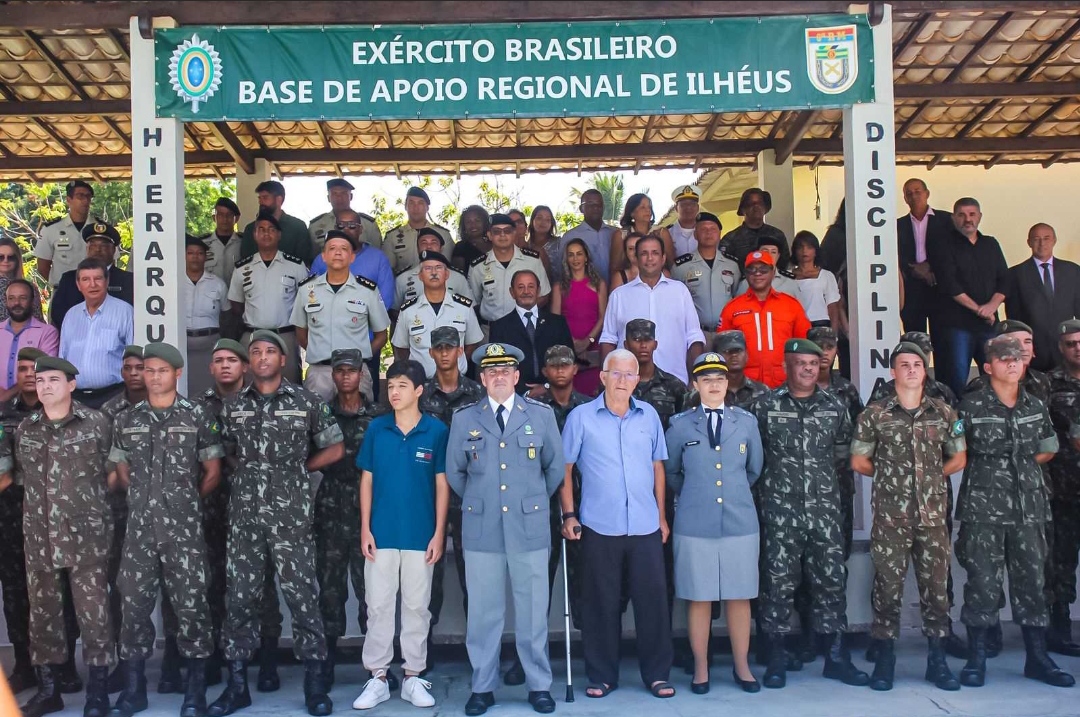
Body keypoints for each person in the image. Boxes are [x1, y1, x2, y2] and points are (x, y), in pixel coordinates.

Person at [209, 330, 344, 717]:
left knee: (303, 597)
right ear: (249, 362)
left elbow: (335, 447)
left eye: (271, 352)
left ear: (283, 360)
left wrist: (299, 469)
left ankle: (314, 685)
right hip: (246, 519)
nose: (263, 357)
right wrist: (249, 473)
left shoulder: (305, 402)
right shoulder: (233, 406)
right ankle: (237, 686)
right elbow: (225, 451)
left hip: (291, 520)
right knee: (240, 600)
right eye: (256, 352)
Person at [446, 343, 563, 716]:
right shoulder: (465, 419)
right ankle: (483, 686)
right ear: (482, 379)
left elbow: (554, 469)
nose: (499, 377)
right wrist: (484, 500)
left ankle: (538, 685)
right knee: (484, 614)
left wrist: (530, 501)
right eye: (491, 371)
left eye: (505, 371)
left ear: (516, 376)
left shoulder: (540, 416)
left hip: (528, 526)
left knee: (533, 612)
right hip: (483, 527)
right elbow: (455, 473)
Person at [107, 342, 223, 717]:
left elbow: (212, 472)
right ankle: (134, 692)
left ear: (177, 373)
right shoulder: (128, 419)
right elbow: (121, 467)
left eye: (162, 371)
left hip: (184, 533)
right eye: (149, 370)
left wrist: (183, 503)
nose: (154, 377)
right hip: (140, 531)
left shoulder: (197, 415)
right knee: (133, 608)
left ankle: (194, 692)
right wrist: (145, 500)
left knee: (192, 608)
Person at [954, 335, 1073, 688]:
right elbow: (955, 450)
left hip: (1028, 508)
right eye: (1003, 359)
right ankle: (977, 658)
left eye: (1017, 358)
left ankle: (1037, 658)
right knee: (982, 583)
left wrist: (1018, 465)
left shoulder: (1035, 405)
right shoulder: (969, 407)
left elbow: (1048, 447)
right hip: (983, 510)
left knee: (1032, 583)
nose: (1011, 363)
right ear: (987, 367)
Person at [749, 339, 867, 690]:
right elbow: (754, 458)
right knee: (776, 585)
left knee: (831, 582)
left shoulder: (835, 406)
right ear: (787, 365)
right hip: (779, 513)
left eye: (814, 364)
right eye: (801, 363)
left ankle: (836, 657)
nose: (808, 369)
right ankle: (776, 657)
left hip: (824, 512)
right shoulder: (766, 406)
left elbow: (844, 455)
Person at [851, 341, 965, 692]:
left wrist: (930, 477)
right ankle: (885, 660)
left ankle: (937, 661)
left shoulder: (943, 412)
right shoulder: (875, 415)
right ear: (893, 372)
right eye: (904, 364)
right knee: (887, 589)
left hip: (933, 517)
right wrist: (892, 478)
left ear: (925, 370)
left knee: (936, 591)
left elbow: (959, 457)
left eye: (917, 364)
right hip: (891, 518)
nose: (912, 370)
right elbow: (859, 461)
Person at [561, 349, 675, 699]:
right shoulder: (581, 417)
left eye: (629, 374)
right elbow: (565, 469)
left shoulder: (649, 415)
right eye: (616, 373)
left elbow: (658, 467)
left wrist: (661, 517)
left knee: (653, 603)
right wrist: (569, 514)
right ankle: (602, 676)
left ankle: (657, 675)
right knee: (601, 603)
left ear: (637, 380)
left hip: (645, 525)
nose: (623, 380)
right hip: (600, 525)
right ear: (603, 377)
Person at [15, 356, 114, 717]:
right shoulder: (26, 429)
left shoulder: (96, 423)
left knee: (94, 615)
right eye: (40, 380)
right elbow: (23, 479)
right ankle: (49, 691)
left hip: (86, 538)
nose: (45, 387)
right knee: (43, 616)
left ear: (71, 385)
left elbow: (113, 473)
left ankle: (98, 693)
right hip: (40, 538)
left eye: (53, 380)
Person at [353, 359, 449, 710]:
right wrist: (365, 528)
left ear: (419, 391)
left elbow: (442, 485)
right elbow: (367, 480)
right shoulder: (377, 429)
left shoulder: (436, 431)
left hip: (420, 536)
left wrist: (439, 533)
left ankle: (412, 676)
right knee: (377, 606)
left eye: (402, 386)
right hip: (381, 534)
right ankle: (377, 677)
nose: (394, 392)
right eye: (391, 386)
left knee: (417, 608)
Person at [665, 352, 763, 694]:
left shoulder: (746, 422)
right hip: (695, 521)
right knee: (699, 597)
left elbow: (754, 469)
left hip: (739, 520)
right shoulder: (680, 425)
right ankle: (701, 669)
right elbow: (672, 471)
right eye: (707, 380)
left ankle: (742, 666)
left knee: (739, 596)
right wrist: (698, 493)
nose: (714, 385)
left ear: (727, 383)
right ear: (696, 385)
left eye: (719, 379)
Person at [314, 350, 384, 689]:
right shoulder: (321, 414)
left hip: (368, 512)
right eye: (339, 371)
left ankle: (376, 666)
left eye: (351, 371)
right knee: (330, 590)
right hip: (331, 508)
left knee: (371, 591)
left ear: (361, 375)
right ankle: (326, 660)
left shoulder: (378, 416)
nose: (345, 376)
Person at [418, 327, 484, 646]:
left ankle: (479, 650)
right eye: (439, 348)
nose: (445, 353)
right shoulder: (420, 395)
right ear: (431, 352)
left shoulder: (478, 393)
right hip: (429, 495)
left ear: (460, 351)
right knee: (427, 575)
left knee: (474, 574)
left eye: (450, 347)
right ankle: (423, 647)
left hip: (469, 494)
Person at [0, 347, 50, 695]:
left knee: (56, 594)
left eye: (34, 368)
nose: (29, 374)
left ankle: (60, 667)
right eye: (22, 369)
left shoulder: (60, 412)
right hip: (10, 517)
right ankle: (23, 665)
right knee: (16, 593)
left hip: (51, 517)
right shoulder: (3, 416)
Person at [293, 229, 391, 402]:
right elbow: (300, 333)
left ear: (352, 257)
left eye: (344, 249)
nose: (338, 253)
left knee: (358, 418)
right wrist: (319, 352)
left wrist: (362, 357)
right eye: (332, 248)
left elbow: (381, 335)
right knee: (318, 419)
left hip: (356, 373)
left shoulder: (367, 291)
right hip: (319, 373)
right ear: (323, 256)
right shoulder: (306, 290)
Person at [929, 197, 1009, 397]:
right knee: (955, 380)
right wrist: (980, 310)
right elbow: (950, 284)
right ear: (953, 218)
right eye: (962, 215)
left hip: (989, 325)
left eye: (972, 214)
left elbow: (1005, 280)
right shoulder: (943, 245)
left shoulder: (991, 244)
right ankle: (955, 416)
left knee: (996, 378)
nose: (967, 219)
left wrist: (992, 306)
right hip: (957, 325)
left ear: (980, 217)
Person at [534, 345, 590, 631]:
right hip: (542, 502)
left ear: (574, 369)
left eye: (565, 365)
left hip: (583, 501)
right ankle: (534, 645)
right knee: (539, 578)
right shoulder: (534, 409)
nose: (559, 370)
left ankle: (589, 642)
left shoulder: (588, 408)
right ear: (545, 371)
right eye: (554, 365)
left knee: (584, 577)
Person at [599, 233, 705, 384]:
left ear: (663, 258)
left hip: (675, 381)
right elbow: (608, 339)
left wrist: (695, 379)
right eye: (644, 253)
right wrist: (607, 380)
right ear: (636, 258)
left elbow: (694, 336)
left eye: (655, 253)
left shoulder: (680, 291)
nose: (650, 258)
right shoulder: (619, 295)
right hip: (629, 383)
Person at [228, 210, 309, 384]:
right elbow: (236, 304)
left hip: (286, 336)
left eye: (271, 229)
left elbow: (305, 303)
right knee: (250, 387)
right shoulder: (242, 268)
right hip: (252, 336)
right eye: (261, 229)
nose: (266, 233)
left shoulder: (295, 266)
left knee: (289, 386)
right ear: (254, 235)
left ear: (279, 235)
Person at [719, 251, 811, 389]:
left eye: (763, 269)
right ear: (746, 274)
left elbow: (804, 346)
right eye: (752, 269)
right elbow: (722, 350)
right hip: (745, 386)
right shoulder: (732, 308)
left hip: (784, 384)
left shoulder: (791, 305)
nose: (757, 273)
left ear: (773, 272)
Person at [392, 251, 483, 379]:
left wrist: (458, 364)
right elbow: (401, 347)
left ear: (447, 274)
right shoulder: (408, 310)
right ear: (420, 276)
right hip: (421, 382)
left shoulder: (464, 308)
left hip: (456, 382)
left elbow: (472, 343)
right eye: (428, 268)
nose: (434, 273)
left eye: (438, 268)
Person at [58, 259, 134, 409]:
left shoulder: (125, 312)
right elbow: (63, 358)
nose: (92, 285)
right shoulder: (71, 315)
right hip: (76, 398)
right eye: (86, 279)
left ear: (107, 281)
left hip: (113, 396)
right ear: (78, 285)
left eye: (98, 278)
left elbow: (133, 358)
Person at [1006, 223, 1080, 371]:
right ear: (1029, 242)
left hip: (1066, 347)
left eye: (1046, 238)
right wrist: (1022, 346)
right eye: (1036, 239)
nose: (1042, 243)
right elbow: (1014, 315)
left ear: (1054, 240)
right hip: (1033, 349)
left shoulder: (1072, 270)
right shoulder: (1016, 274)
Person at [1047, 320, 1080, 656]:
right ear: (1061, 347)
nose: (1077, 348)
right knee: (1062, 562)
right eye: (1071, 343)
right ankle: (1060, 627)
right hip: (1065, 488)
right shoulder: (1050, 385)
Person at [488, 270, 573, 395]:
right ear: (512, 292)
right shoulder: (499, 327)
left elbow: (569, 362)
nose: (526, 291)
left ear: (538, 291)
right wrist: (526, 392)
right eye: (520, 287)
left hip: (554, 394)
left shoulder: (557, 323)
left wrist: (547, 386)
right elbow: (497, 368)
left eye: (531, 287)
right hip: (516, 396)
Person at [672, 212, 740, 348]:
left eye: (712, 229)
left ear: (720, 234)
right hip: (696, 335)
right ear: (695, 235)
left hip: (727, 332)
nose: (708, 233)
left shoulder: (732, 265)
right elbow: (675, 304)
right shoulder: (681, 267)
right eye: (703, 229)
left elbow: (737, 297)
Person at [468, 214, 551, 325]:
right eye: (497, 231)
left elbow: (544, 295)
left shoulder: (532, 261)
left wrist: (524, 312)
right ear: (489, 235)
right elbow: (474, 301)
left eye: (507, 231)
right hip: (490, 329)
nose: (502, 235)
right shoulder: (478, 266)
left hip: (524, 326)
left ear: (514, 233)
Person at [49, 221, 133, 330]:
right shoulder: (69, 279)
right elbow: (58, 313)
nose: (98, 250)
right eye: (93, 245)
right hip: (77, 335)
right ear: (87, 249)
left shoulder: (128, 280)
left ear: (113, 250)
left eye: (104, 245)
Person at [550, 238, 606, 396]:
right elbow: (555, 320)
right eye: (571, 255)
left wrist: (588, 340)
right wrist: (572, 342)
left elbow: (603, 317)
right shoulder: (559, 287)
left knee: (592, 393)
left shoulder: (599, 284)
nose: (575, 259)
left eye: (579, 254)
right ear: (566, 259)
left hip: (593, 346)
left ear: (586, 257)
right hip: (567, 346)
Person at [897, 179, 953, 336]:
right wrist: (914, 269)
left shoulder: (947, 220)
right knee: (915, 337)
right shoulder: (897, 225)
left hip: (939, 285)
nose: (914, 196)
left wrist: (930, 267)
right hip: (911, 290)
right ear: (905, 198)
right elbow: (895, 255)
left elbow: (952, 251)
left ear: (927, 194)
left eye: (917, 192)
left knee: (943, 337)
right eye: (909, 193)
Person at [182, 235, 229, 397]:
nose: (195, 257)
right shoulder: (174, 283)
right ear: (184, 256)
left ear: (205, 257)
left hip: (209, 344)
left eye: (200, 253)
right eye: (190, 253)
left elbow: (227, 315)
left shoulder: (217, 284)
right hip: (182, 344)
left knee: (210, 390)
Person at [0, 279, 58, 401]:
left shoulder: (47, 332)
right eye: (11, 298)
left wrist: (7, 395)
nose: (17, 303)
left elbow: (44, 370)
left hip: (32, 404)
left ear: (32, 301)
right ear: (6, 301)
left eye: (23, 298)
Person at [392, 227, 473, 313]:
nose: (429, 246)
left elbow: (470, 308)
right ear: (417, 248)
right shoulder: (403, 278)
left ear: (441, 248)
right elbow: (394, 311)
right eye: (424, 243)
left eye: (433, 242)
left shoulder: (458, 277)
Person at [33, 180, 93, 287]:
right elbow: (42, 267)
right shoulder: (51, 229)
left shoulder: (100, 228)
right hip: (63, 290)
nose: (85, 200)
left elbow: (110, 262)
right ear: (69, 200)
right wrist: (61, 286)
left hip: (94, 290)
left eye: (88, 196)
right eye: (80, 196)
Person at [238, 180, 314, 266]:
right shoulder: (250, 229)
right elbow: (245, 261)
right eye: (259, 198)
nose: (261, 202)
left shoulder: (297, 227)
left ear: (279, 200)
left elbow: (304, 261)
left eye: (265, 198)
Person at [382, 187, 453, 275]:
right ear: (405, 207)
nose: (416, 207)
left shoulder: (444, 235)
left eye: (420, 203)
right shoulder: (392, 237)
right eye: (411, 203)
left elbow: (448, 268)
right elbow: (387, 270)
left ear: (427, 207)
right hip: (404, 282)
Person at [718, 188, 790, 268]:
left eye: (760, 203)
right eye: (751, 204)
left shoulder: (777, 235)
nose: (756, 206)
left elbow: (785, 264)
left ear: (765, 208)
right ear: (743, 209)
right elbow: (724, 266)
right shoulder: (730, 239)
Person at [308, 178, 382, 255]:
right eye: (334, 194)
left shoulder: (368, 224)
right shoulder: (315, 225)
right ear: (328, 198)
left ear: (351, 196)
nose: (339, 198)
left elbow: (377, 253)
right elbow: (312, 256)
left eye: (343, 193)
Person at [792, 231, 845, 332]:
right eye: (800, 247)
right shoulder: (786, 276)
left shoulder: (826, 275)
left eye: (809, 247)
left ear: (816, 251)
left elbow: (833, 307)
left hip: (821, 325)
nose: (804, 251)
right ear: (795, 251)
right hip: (795, 325)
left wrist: (833, 335)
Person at [560, 189, 616, 282]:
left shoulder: (614, 233)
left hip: (616, 288)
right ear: (581, 209)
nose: (596, 207)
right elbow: (562, 269)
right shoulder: (570, 237)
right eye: (590, 204)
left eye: (599, 204)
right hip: (584, 290)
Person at [611, 194, 672, 276]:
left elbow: (672, 263)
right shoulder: (621, 235)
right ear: (632, 213)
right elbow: (615, 266)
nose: (648, 210)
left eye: (649, 207)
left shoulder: (661, 233)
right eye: (642, 207)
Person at [734, 235, 798, 298]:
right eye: (765, 251)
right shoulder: (746, 282)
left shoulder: (789, 282)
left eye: (773, 252)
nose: (769, 255)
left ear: (778, 256)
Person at [202, 197, 244, 288]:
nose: (225, 219)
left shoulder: (243, 243)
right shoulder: (203, 244)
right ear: (214, 217)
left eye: (229, 215)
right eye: (220, 215)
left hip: (237, 295)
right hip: (210, 295)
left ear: (236, 218)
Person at [0, 236, 43, 323]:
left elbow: (38, 320)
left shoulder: (29, 287)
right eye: (0, 257)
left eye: (11, 257)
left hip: (26, 331)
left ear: (17, 260)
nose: (5, 260)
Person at [662, 184, 701, 257]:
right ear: (676, 208)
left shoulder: (706, 232)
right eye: (684, 204)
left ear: (698, 207)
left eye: (692, 204)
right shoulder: (667, 234)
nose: (688, 207)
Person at [526, 206, 559, 282]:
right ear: (532, 220)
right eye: (539, 218)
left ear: (551, 223)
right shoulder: (526, 247)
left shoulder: (559, 243)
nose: (543, 222)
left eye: (548, 219)